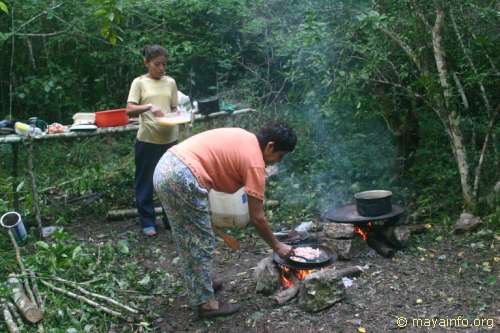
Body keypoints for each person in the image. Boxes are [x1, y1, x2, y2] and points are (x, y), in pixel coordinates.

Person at [153, 123, 297, 318]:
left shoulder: (244, 136)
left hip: (166, 166)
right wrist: (277, 246)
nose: (276, 162)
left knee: (188, 237)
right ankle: (206, 305)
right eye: (279, 156)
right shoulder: (255, 161)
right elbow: (257, 217)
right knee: (200, 242)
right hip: (182, 176)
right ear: (270, 146)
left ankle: (203, 284)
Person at [127, 45, 179, 236]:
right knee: (145, 182)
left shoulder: (171, 82)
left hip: (170, 140)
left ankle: (170, 219)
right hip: (147, 139)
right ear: (147, 63)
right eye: (157, 64)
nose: (161, 68)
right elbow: (130, 109)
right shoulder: (139, 83)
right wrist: (149, 106)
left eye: (164, 64)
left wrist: (177, 114)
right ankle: (148, 221)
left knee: (169, 181)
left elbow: (174, 108)